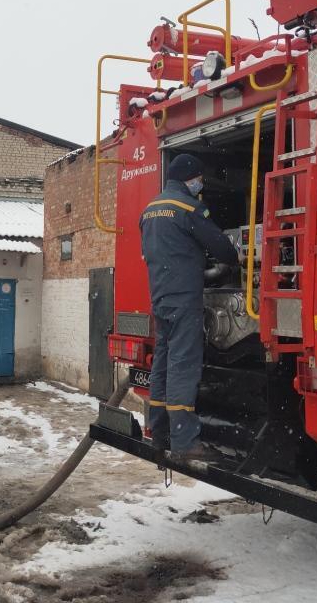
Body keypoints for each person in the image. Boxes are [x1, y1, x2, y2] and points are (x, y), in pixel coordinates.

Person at [139, 153, 239, 464]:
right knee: (183, 365)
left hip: (161, 297)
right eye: (198, 179)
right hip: (184, 298)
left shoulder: (150, 210)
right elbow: (223, 249)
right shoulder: (188, 207)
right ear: (189, 178)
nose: (200, 184)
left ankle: (160, 434)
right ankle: (184, 442)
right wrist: (232, 260)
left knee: (163, 364)